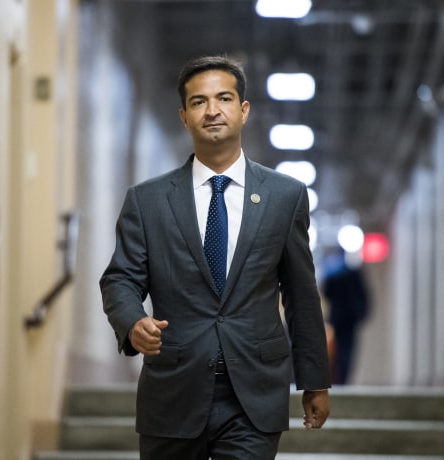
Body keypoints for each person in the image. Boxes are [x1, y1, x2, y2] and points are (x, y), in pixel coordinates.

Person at [100, 54, 330, 460]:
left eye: (223, 99)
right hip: (173, 389)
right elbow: (120, 279)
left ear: (243, 111)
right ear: (184, 117)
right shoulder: (148, 200)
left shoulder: (284, 197)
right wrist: (132, 322)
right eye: (198, 102)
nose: (212, 111)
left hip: (253, 394)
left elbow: (300, 292)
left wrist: (315, 382)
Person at [321, 246, 370, 385]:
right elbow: (363, 295)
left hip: (337, 319)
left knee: (339, 349)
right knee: (348, 350)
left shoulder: (332, 275)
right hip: (351, 319)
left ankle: (340, 377)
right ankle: (344, 377)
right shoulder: (354, 273)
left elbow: (327, 294)